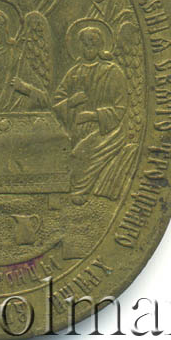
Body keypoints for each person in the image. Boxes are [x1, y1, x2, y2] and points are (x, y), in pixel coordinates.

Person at [53, 23, 128, 205]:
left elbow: (120, 109)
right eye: (85, 43)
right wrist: (71, 102)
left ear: (101, 45)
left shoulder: (112, 72)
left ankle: (80, 190)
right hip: (75, 129)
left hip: (105, 131)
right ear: (79, 45)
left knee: (80, 153)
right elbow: (56, 103)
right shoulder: (74, 72)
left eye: (93, 43)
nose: (89, 47)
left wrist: (93, 116)